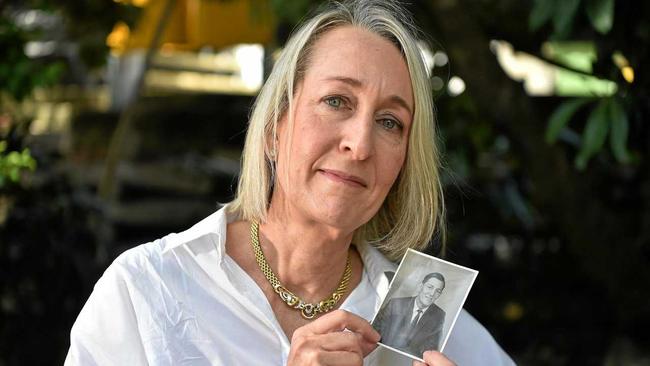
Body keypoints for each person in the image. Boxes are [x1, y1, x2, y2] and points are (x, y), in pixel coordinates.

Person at [65, 1, 515, 365]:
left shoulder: (425, 321)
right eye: (336, 101)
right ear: (274, 127)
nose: (359, 144)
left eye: (389, 122)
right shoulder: (147, 290)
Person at [374, 273, 447, 356]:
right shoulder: (395, 303)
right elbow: (376, 329)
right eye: (430, 287)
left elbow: (430, 348)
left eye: (438, 291)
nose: (432, 294)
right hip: (381, 353)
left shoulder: (439, 315)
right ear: (420, 286)